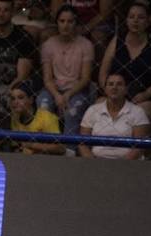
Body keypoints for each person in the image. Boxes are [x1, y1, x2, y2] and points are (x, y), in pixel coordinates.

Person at [98, 1, 151, 121]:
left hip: (144, 97)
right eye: (131, 17)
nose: (135, 20)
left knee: (140, 113)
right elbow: (103, 72)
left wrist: (145, 94)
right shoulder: (117, 41)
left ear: (147, 21)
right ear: (126, 20)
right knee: (98, 106)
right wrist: (109, 91)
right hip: (115, 93)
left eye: (141, 17)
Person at [37, 5, 95, 137]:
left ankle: (70, 149)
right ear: (57, 23)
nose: (66, 25)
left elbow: (85, 78)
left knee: (72, 110)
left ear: (76, 23)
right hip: (54, 88)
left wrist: (68, 95)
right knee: (44, 104)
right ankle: (47, 144)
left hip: (77, 89)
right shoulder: (48, 45)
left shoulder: (86, 45)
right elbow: (47, 78)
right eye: (62, 21)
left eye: (70, 21)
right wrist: (57, 95)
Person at [79, 72, 149, 159]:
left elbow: (139, 146)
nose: (114, 87)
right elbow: (83, 144)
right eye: (110, 84)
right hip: (96, 162)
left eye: (119, 84)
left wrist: (120, 166)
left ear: (126, 89)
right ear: (105, 89)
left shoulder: (137, 112)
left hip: (128, 164)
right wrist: (93, 163)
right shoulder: (92, 110)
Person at [9, 81, 66, 155]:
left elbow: (60, 148)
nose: (15, 102)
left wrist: (31, 145)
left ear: (31, 100)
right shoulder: (15, 118)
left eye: (20, 98)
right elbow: (16, 146)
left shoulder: (46, 117)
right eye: (13, 99)